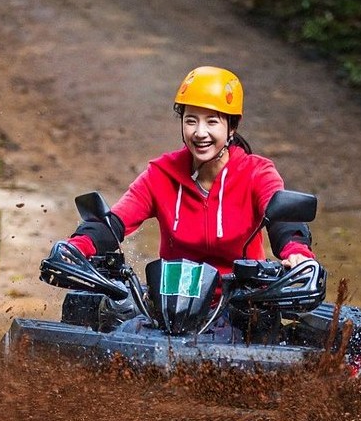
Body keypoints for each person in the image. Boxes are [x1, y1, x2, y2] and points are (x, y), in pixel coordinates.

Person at [63, 65, 314, 271]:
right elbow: (116, 220)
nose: (199, 132)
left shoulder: (257, 173)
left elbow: (283, 219)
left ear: (232, 127)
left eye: (212, 122)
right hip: (171, 304)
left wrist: (297, 253)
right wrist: (79, 244)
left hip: (243, 305)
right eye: (190, 120)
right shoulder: (160, 173)